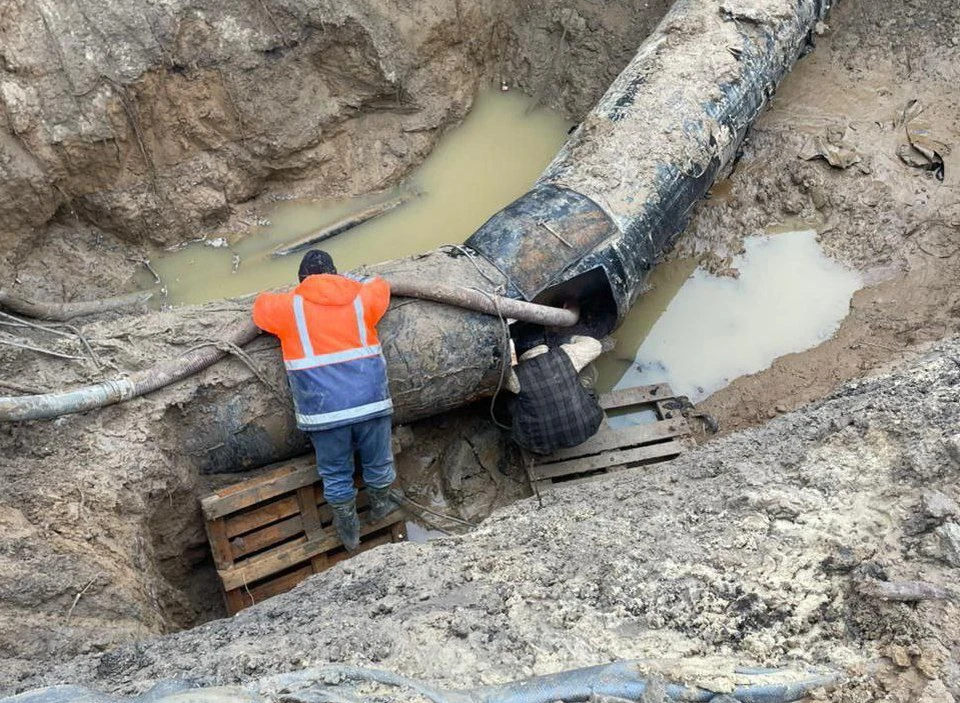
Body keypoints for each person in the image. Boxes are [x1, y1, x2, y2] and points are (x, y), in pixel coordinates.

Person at [252, 250, 401, 551]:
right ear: (337, 274)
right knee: (379, 461)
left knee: (335, 473)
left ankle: (349, 530)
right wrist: (351, 281)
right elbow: (381, 284)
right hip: (371, 402)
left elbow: (259, 305)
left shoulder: (289, 307)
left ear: (301, 281)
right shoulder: (361, 298)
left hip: (324, 413)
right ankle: (380, 508)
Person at [506, 335, 605, 455]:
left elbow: (498, 379)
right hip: (588, 426)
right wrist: (573, 339)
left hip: (538, 444)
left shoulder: (514, 376)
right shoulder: (566, 354)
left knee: (512, 401)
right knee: (587, 369)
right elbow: (595, 345)